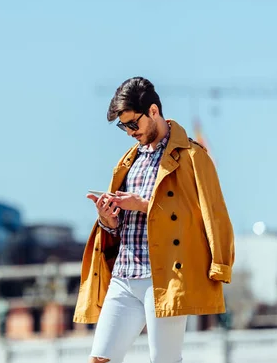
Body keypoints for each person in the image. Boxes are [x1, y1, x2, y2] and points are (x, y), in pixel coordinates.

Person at [73, 77, 235, 363]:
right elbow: (121, 224)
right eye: (123, 126)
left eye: (133, 124)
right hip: (123, 275)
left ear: (153, 112)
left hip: (165, 276)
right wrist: (108, 219)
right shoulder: (128, 160)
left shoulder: (193, 157)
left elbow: (210, 214)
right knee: (99, 359)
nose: (129, 132)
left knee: (165, 361)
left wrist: (144, 205)